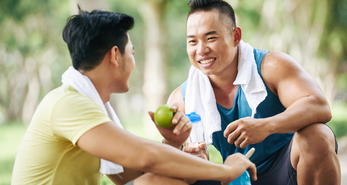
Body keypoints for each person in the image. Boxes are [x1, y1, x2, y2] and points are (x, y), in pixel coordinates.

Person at [11, 8, 257, 185]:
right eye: (132, 52)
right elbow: (145, 158)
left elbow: (129, 176)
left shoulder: (85, 103)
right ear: (115, 56)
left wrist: (172, 144)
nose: (133, 61)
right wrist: (224, 171)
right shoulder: (68, 104)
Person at [167, 0, 341, 185]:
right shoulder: (182, 98)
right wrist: (194, 163)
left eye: (211, 38)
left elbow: (319, 105)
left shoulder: (271, 66)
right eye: (192, 41)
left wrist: (266, 126)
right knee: (165, 175)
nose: (201, 50)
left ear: (236, 36)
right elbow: (167, 159)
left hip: (284, 171)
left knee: (318, 135)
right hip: (232, 176)